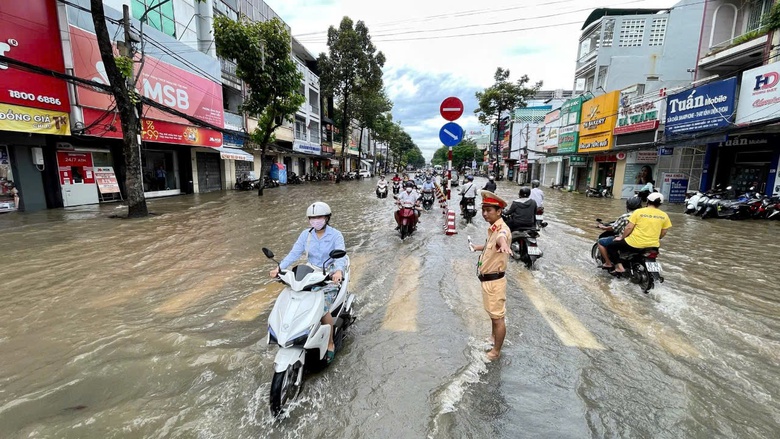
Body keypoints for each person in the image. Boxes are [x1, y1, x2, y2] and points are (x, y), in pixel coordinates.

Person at [269, 202, 345, 363]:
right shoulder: (306, 234)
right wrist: (279, 268)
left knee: (322, 307)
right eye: (312, 218)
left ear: (327, 218)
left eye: (319, 217)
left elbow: (341, 256)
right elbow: (294, 253)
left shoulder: (336, 235)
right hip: (310, 272)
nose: (315, 220)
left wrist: (338, 271)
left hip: (328, 273)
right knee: (294, 294)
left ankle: (330, 342)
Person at [468, 191, 511, 361]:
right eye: (483, 210)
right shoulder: (493, 228)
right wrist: (477, 247)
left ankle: (496, 351)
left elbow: (501, 239)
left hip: (494, 282)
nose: (485, 214)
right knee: (493, 315)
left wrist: (504, 245)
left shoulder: (502, 230)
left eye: (489, 210)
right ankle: (493, 338)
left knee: (498, 318)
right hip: (488, 280)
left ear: (499, 211)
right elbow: (490, 245)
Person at [606, 193, 672, 273]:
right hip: (653, 245)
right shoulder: (664, 215)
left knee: (610, 246)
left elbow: (629, 227)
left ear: (647, 201)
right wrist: (656, 238)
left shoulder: (638, 212)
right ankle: (655, 275)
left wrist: (622, 238)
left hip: (634, 243)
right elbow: (664, 232)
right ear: (660, 204)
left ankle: (619, 267)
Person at [597, 196, 643, 269]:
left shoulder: (625, 216)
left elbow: (614, 228)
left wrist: (603, 227)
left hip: (628, 241)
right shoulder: (645, 217)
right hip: (643, 241)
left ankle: (608, 263)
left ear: (627, 206)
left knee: (601, 242)